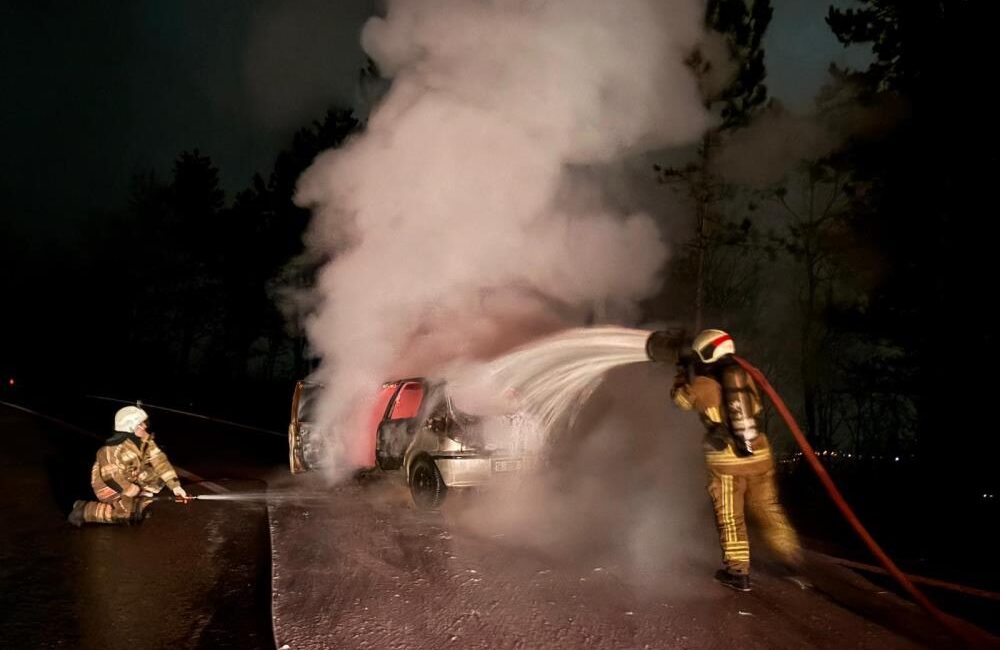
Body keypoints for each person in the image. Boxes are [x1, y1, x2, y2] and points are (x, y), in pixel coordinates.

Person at [671, 329, 802, 592]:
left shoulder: (703, 384)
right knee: (768, 507)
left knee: (731, 516)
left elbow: (681, 401)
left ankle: (738, 572)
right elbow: (756, 408)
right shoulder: (745, 376)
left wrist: (682, 375)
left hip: (727, 460)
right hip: (759, 453)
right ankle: (790, 558)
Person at [67, 405, 188, 526]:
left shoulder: (145, 440)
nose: (145, 426)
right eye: (141, 424)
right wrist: (131, 490)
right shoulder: (110, 450)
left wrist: (175, 487)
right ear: (130, 427)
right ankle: (84, 510)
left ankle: (137, 504)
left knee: (158, 478)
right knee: (127, 515)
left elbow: (160, 461)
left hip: (130, 477)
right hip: (109, 485)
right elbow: (111, 478)